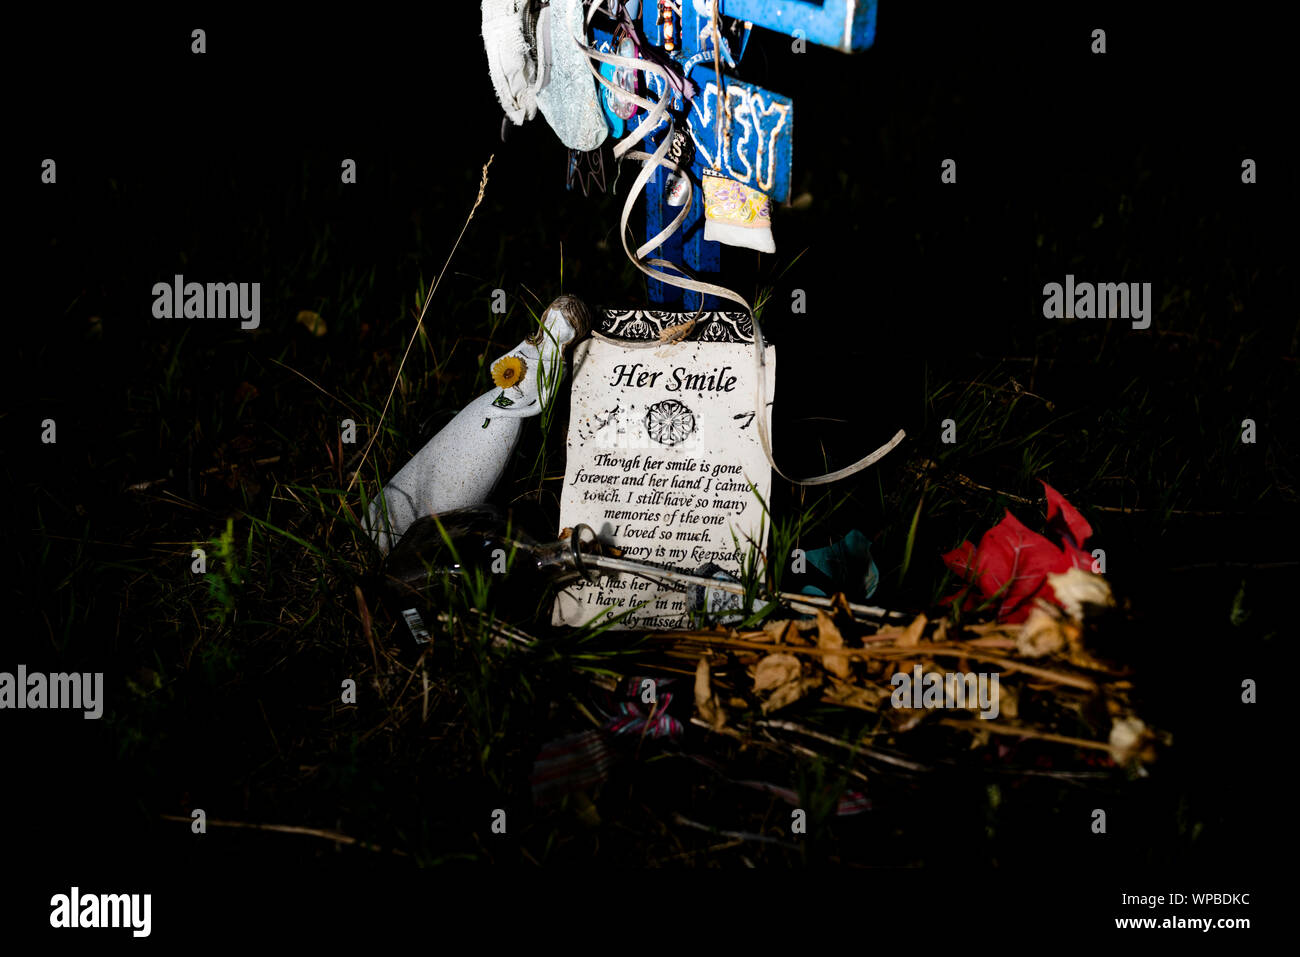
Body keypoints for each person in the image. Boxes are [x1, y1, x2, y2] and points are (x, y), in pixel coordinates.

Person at [365, 295, 591, 554]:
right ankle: (387, 525)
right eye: (554, 319)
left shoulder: (557, 366)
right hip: (487, 407)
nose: (556, 327)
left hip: (505, 424)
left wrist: (514, 410)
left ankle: (423, 542)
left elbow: (540, 404)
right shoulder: (529, 345)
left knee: (468, 478)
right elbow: (498, 366)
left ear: (573, 334)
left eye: (565, 325)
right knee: (442, 455)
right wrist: (503, 387)